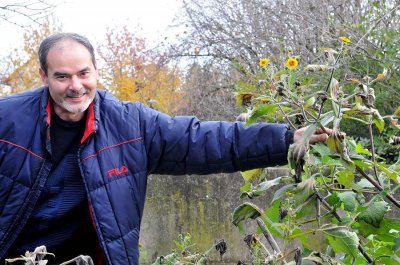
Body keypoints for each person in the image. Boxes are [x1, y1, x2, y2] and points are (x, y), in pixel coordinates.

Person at [0, 33, 329, 265]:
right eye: (62, 76)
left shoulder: (130, 124)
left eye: (84, 73)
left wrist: (286, 138)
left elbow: (201, 141)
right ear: (44, 76)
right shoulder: (8, 120)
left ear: (96, 71)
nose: (76, 86)